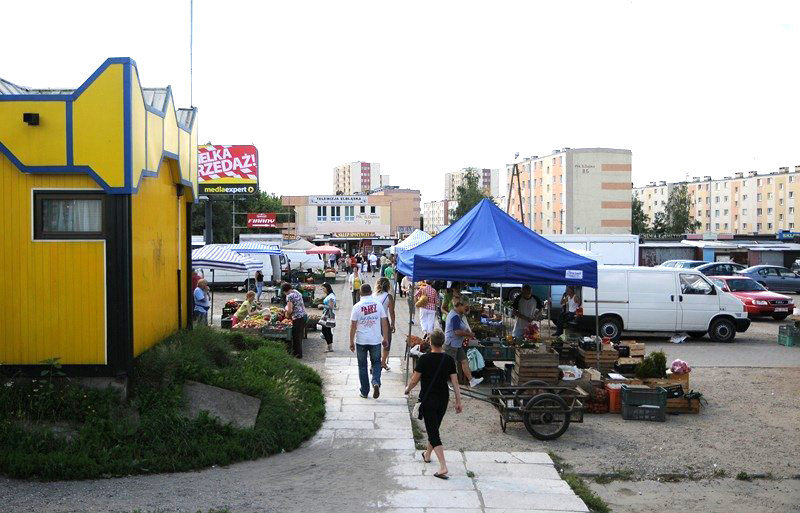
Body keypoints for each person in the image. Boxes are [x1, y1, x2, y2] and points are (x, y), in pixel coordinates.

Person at [404, 330, 462, 480]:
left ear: (430, 342)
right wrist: (458, 400)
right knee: (434, 428)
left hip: (428, 399)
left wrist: (407, 389)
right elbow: (455, 382)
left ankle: (443, 466)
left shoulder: (424, 359)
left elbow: (414, 380)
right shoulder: (448, 360)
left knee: (433, 433)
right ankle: (427, 454)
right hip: (443, 399)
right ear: (442, 342)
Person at [350, 283, 389, 399]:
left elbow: (353, 325)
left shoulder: (357, 306)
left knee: (362, 366)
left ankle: (364, 391)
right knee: (376, 362)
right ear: (371, 292)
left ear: (360, 293)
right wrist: (385, 338)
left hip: (361, 340)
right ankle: (376, 381)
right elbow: (384, 322)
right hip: (375, 339)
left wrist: (351, 341)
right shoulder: (378, 305)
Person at [445, 300, 483, 387]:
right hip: (452, 344)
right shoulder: (455, 316)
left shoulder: (458, 315)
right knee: (449, 365)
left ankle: (471, 380)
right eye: (465, 306)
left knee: (464, 361)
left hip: (457, 344)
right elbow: (457, 332)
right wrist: (468, 334)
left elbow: (462, 325)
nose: (466, 308)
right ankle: (442, 381)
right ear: (460, 305)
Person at [375, 278, 396, 371]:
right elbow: (391, 312)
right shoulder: (388, 296)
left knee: (375, 341)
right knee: (387, 341)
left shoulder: (373, 295)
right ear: (388, 286)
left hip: (374, 320)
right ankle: (383, 362)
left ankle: (375, 362)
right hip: (384, 320)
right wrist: (393, 324)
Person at [282, 282, 307, 358]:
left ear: (284, 291)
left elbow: (289, 310)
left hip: (297, 317)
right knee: (299, 336)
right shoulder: (296, 292)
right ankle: (298, 353)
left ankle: (297, 355)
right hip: (303, 315)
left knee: (296, 337)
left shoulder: (289, 296)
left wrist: (286, 311)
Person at [320, 282, 337, 352]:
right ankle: (329, 346)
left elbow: (331, 307)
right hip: (327, 314)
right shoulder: (330, 295)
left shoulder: (331, 297)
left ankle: (329, 346)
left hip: (328, 315)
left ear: (327, 288)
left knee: (325, 330)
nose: (323, 290)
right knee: (327, 330)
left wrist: (322, 306)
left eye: (323, 288)